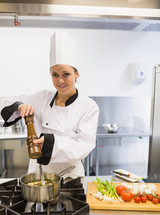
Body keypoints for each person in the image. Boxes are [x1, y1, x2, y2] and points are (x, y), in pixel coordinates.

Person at [1, 32, 99, 178]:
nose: (60, 81)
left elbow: (83, 147)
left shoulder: (89, 107)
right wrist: (20, 106)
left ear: (76, 74)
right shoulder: (41, 98)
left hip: (70, 177)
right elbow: (8, 101)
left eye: (66, 74)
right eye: (55, 75)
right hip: (39, 175)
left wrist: (49, 143)